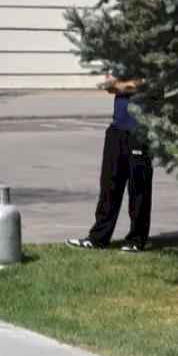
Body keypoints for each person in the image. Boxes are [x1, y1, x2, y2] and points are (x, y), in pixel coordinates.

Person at [67, 75, 153, 252]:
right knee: (109, 185)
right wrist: (120, 85)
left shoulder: (151, 62)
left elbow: (140, 85)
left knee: (138, 187)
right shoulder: (122, 63)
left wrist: (120, 86)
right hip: (116, 130)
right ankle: (98, 239)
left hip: (139, 132)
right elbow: (109, 86)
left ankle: (136, 240)